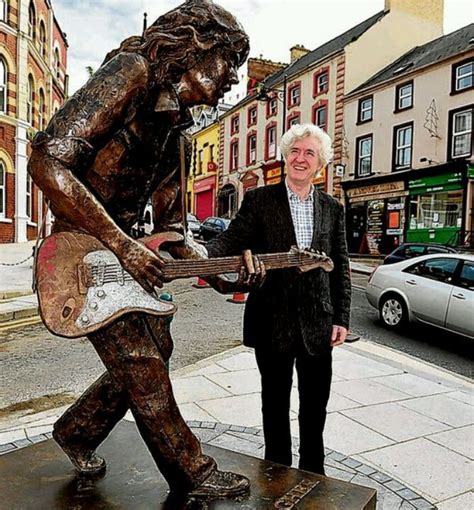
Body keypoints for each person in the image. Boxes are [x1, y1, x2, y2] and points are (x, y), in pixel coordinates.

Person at [27, 0, 251, 499]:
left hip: (118, 253)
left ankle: (77, 430)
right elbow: (46, 160)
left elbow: (173, 233)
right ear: (196, 47)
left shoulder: (179, 138)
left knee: (157, 347)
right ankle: (193, 473)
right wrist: (123, 248)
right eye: (228, 62)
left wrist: (222, 273)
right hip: (77, 251)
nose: (233, 79)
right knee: (141, 359)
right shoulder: (131, 72)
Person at [206, 123, 351, 475]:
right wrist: (199, 253)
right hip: (271, 321)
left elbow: (341, 265)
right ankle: (277, 472)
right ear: (286, 156)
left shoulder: (332, 207)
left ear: (321, 164)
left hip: (317, 324)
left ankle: (313, 473)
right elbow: (231, 239)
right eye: (295, 151)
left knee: (315, 407)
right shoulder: (259, 200)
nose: (301, 159)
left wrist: (341, 318)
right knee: (274, 404)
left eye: (309, 153)